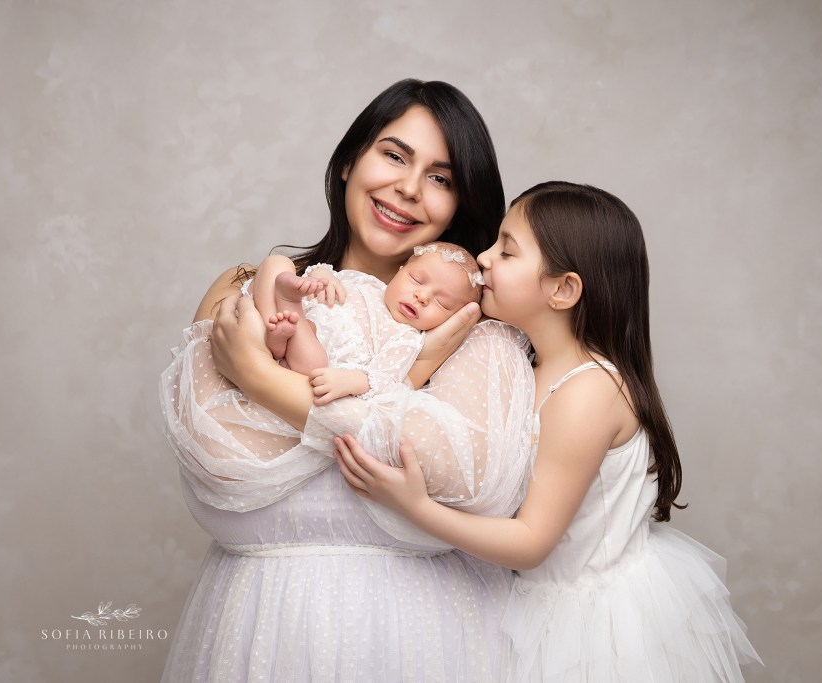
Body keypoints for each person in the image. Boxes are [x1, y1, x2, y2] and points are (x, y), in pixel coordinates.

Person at [160, 79, 535, 682]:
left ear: (460, 204)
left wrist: (259, 379)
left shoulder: (479, 327)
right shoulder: (250, 285)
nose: (409, 189)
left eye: (441, 177)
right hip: (257, 624)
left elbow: (466, 475)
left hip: (429, 635)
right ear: (345, 163)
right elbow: (217, 454)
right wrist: (398, 402)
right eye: (393, 155)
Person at [333, 181, 763, 682]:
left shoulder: (589, 392)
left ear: (563, 289)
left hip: (590, 626)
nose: (484, 259)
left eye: (507, 251)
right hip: (528, 601)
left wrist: (416, 508)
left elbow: (532, 540)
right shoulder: (521, 362)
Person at [244, 241, 484, 405]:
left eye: (441, 303)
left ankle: (286, 312)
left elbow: (385, 379)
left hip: (308, 356)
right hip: (294, 319)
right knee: (278, 263)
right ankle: (271, 328)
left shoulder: (407, 338)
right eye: (416, 279)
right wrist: (323, 277)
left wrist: (349, 381)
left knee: (314, 362)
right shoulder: (369, 284)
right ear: (400, 271)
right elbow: (331, 278)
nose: (422, 297)